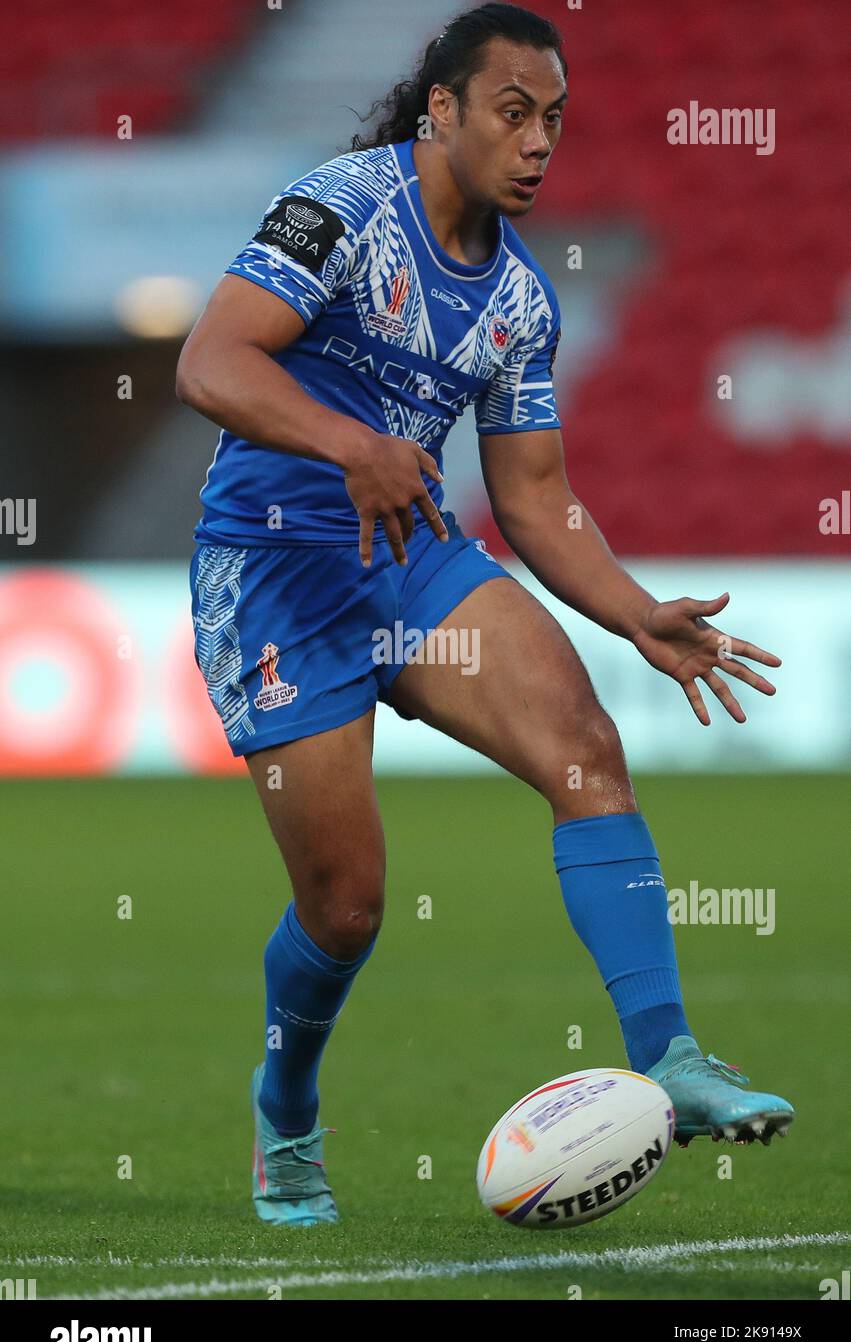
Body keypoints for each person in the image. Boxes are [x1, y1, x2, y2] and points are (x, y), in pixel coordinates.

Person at [176, 3, 793, 1229]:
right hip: (276, 575)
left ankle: (666, 1053)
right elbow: (210, 362)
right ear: (442, 108)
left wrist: (631, 614)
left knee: (586, 746)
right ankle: (287, 1102)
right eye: (511, 112)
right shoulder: (338, 208)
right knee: (345, 905)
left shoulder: (517, 301)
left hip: (411, 567)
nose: (536, 143)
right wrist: (353, 441)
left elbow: (533, 494)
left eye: (552, 120)